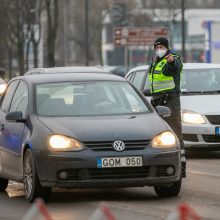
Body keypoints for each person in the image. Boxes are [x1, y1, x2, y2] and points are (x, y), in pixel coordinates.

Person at [147, 37, 186, 177]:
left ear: (166, 47)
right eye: (156, 48)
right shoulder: (155, 61)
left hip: (170, 101)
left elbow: (176, 67)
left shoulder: (172, 58)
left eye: (161, 47)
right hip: (157, 101)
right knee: (159, 135)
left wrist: (172, 62)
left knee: (175, 132)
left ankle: (181, 167)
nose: (159, 50)